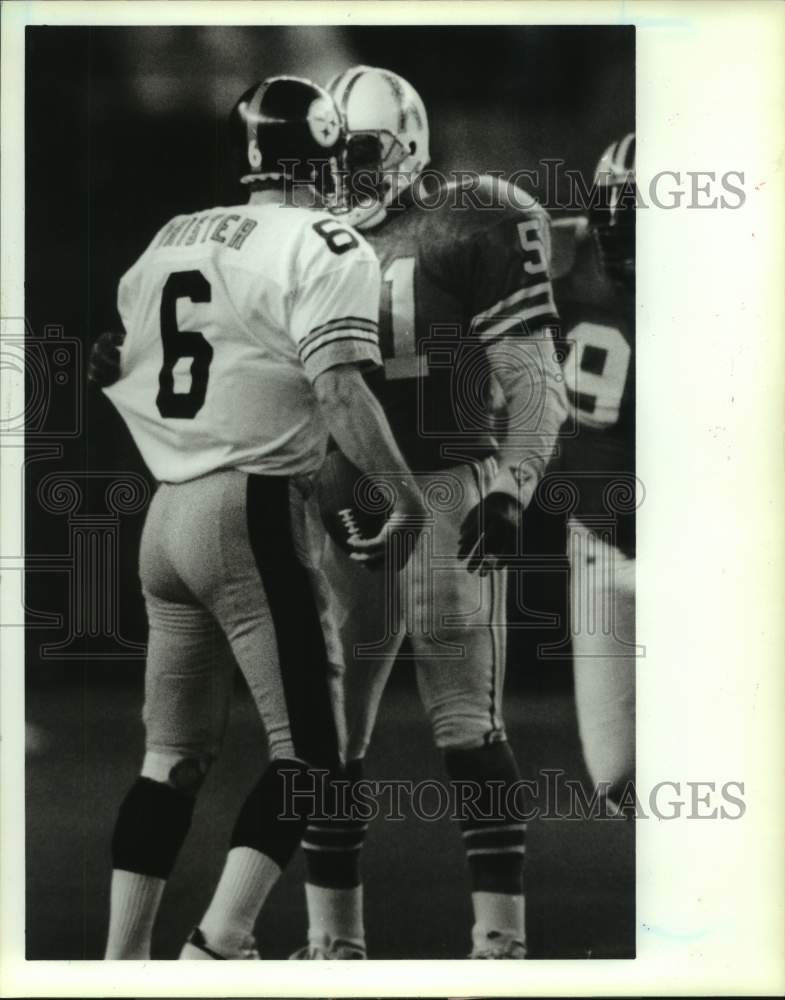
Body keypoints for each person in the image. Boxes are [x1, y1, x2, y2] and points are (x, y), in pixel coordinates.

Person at [95, 75, 425, 960]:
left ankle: (119, 966)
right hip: (248, 512)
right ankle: (219, 944)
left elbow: (115, 357)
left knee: (170, 762)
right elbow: (339, 389)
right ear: (322, 148)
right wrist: (402, 491)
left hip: (166, 520)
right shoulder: (325, 241)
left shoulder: (171, 237)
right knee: (312, 762)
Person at [292, 66, 567, 960]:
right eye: (328, 155)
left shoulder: (473, 215)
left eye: (360, 152)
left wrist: (509, 487)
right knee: (326, 734)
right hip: (340, 495)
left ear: (406, 144)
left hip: (446, 487)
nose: (339, 175)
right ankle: (333, 945)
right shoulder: (296, 234)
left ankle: (500, 942)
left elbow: (534, 378)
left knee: (463, 724)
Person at [550, 134, 636, 811]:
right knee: (615, 778)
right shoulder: (562, 256)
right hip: (594, 541)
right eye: (612, 213)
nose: (618, 231)